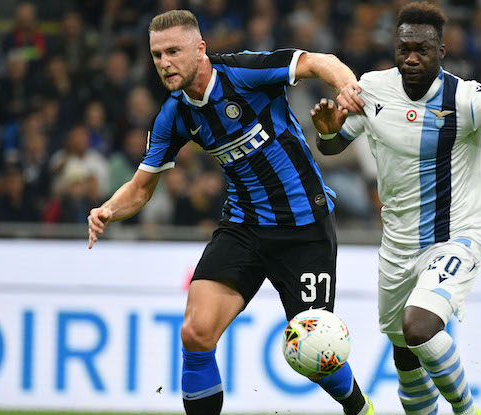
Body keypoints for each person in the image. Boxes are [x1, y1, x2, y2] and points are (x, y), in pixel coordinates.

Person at [86, 10, 373, 415]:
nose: (164, 63)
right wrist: (107, 210)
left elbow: (314, 61)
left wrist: (347, 87)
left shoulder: (244, 72)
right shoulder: (175, 114)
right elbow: (140, 188)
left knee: (315, 349)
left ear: (200, 49)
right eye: (156, 55)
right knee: (196, 332)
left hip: (304, 229)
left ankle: (360, 408)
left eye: (173, 51)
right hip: (244, 227)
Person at [310, 3, 481, 415]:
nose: (411, 57)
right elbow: (336, 144)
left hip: (459, 232)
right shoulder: (372, 90)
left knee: (420, 326)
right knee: (405, 351)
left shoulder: (469, 99)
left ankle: (466, 410)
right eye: (404, 48)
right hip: (398, 242)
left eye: (422, 50)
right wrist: (328, 135)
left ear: (441, 52)